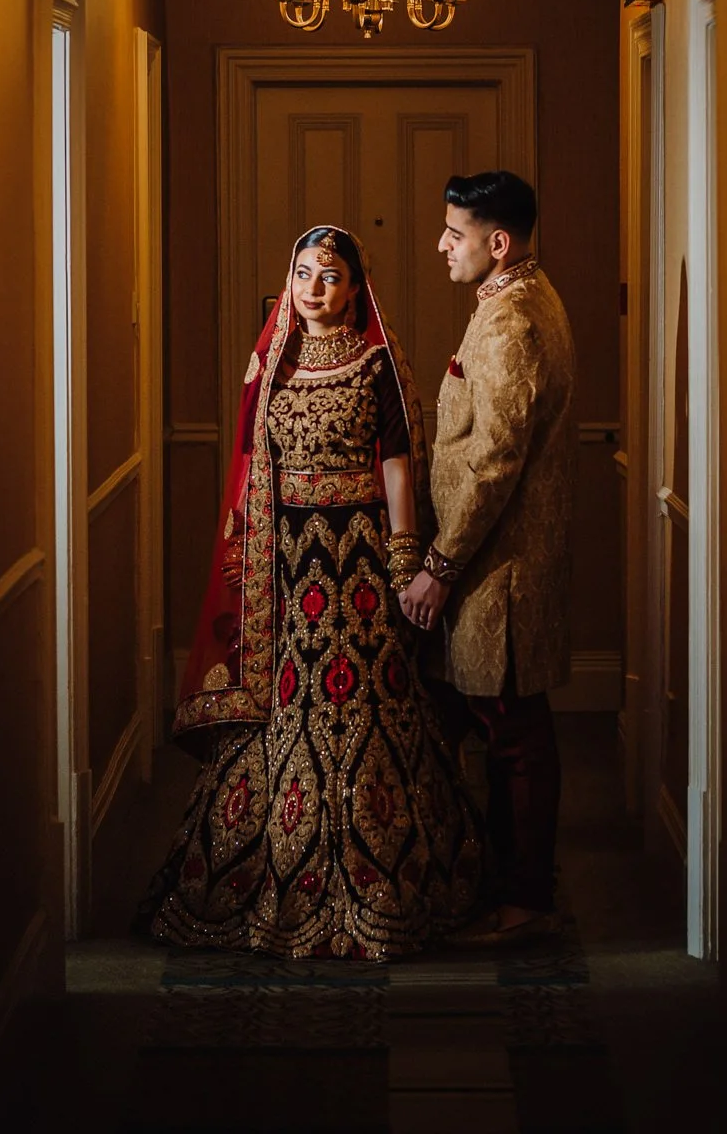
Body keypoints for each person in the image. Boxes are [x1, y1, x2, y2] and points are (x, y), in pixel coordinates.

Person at [137, 225, 481, 959]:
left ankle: (380, 876)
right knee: (288, 700)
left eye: (329, 276)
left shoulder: (376, 363)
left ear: (356, 289)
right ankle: (277, 874)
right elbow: (249, 465)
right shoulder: (273, 363)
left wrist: (402, 555)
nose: (313, 288)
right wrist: (246, 550)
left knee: (366, 698)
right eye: (301, 274)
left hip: (357, 559)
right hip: (286, 564)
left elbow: (395, 463)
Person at [400, 171, 577, 946]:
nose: (441, 244)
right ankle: (484, 876)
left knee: (512, 735)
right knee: (477, 724)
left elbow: (494, 463)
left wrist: (438, 568)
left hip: (494, 570)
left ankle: (527, 899)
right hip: (495, 564)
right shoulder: (518, 300)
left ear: (495, 242)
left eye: (454, 232)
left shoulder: (512, 324)